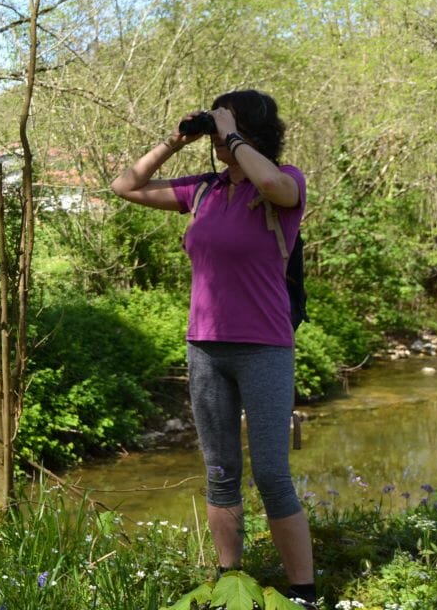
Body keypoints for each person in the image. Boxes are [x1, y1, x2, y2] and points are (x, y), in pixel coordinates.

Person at [111, 90, 316, 608]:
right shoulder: (204, 191)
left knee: (271, 474)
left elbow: (269, 181)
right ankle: (230, 583)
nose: (218, 140)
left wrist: (231, 132)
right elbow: (125, 186)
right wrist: (177, 140)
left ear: (248, 131)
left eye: (226, 128)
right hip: (204, 348)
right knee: (221, 472)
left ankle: (304, 592)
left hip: (265, 347)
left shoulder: (285, 182)